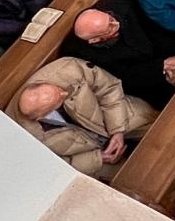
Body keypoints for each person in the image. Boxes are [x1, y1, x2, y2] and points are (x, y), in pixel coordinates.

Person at [14, 57, 158, 176]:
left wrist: (117, 130)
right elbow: (53, 166)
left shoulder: (68, 69)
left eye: (58, 90)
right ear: (41, 116)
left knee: (148, 119)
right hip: (88, 151)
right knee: (128, 179)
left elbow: (109, 89)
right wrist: (98, 159)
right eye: (59, 100)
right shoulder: (25, 137)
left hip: (107, 115)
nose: (64, 93)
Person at [63, 0, 175, 111]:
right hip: (146, 77)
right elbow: (122, 78)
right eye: (109, 28)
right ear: (95, 40)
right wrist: (161, 66)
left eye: (111, 19)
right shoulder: (83, 54)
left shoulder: (121, 5)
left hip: (166, 47)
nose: (117, 24)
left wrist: (173, 57)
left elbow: (154, 29)